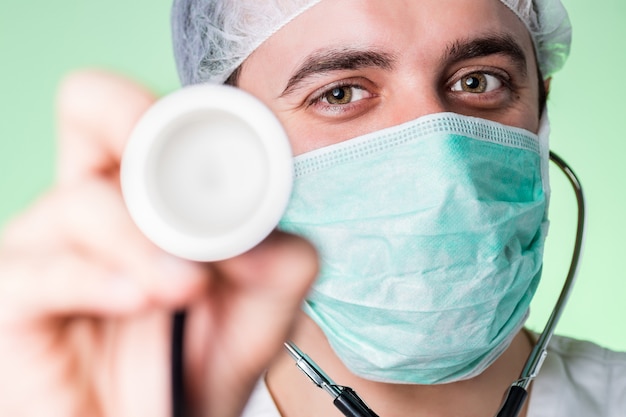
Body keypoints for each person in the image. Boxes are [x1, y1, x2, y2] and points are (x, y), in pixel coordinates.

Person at [0, 1, 625, 417]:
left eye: (478, 81)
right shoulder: (140, 400)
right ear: (231, 139)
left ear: (540, 111)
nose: (442, 165)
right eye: (342, 92)